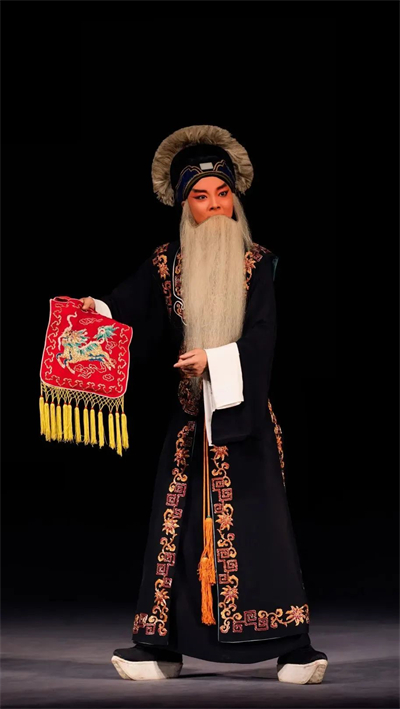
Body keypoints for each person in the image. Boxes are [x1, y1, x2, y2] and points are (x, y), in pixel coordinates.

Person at [80, 125, 328, 684]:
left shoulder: (258, 263)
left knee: (261, 532)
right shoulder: (165, 263)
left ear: (234, 199)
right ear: (184, 205)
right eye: (201, 196)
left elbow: (263, 337)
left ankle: (294, 647)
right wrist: (93, 309)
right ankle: (161, 646)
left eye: (223, 194)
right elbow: (126, 309)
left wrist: (214, 360)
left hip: (246, 422)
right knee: (177, 533)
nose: (215, 206)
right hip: (192, 424)